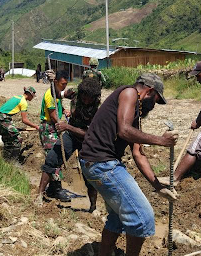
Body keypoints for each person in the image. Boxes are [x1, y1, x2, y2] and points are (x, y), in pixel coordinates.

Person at [80, 73, 178, 256]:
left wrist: (157, 186)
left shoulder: (134, 113)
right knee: (143, 217)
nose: (154, 106)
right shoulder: (130, 93)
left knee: (117, 218)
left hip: (94, 164)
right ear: (149, 91)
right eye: (155, 100)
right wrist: (161, 141)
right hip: (101, 163)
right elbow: (124, 130)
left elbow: (138, 153)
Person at [37, 78, 101, 209]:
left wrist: (67, 127)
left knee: (89, 174)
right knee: (51, 160)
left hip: (87, 141)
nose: (85, 100)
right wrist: (52, 81)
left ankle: (93, 207)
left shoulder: (98, 110)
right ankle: (39, 195)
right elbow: (56, 93)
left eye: (89, 98)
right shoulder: (75, 93)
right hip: (71, 137)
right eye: (83, 96)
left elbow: (90, 134)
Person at [38, 70, 73, 199]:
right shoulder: (50, 95)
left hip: (54, 128)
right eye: (62, 84)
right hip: (49, 128)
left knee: (56, 158)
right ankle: (57, 189)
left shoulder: (56, 95)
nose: (64, 87)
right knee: (54, 157)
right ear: (56, 82)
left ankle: (52, 189)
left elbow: (58, 107)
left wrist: (65, 111)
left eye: (66, 84)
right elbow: (53, 116)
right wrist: (64, 125)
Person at [0, 86, 38, 160]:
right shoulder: (23, 102)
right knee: (18, 139)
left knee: (7, 139)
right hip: (4, 119)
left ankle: (6, 159)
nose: (33, 98)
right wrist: (36, 126)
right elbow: (24, 120)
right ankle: (14, 160)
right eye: (33, 96)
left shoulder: (17, 97)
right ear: (30, 94)